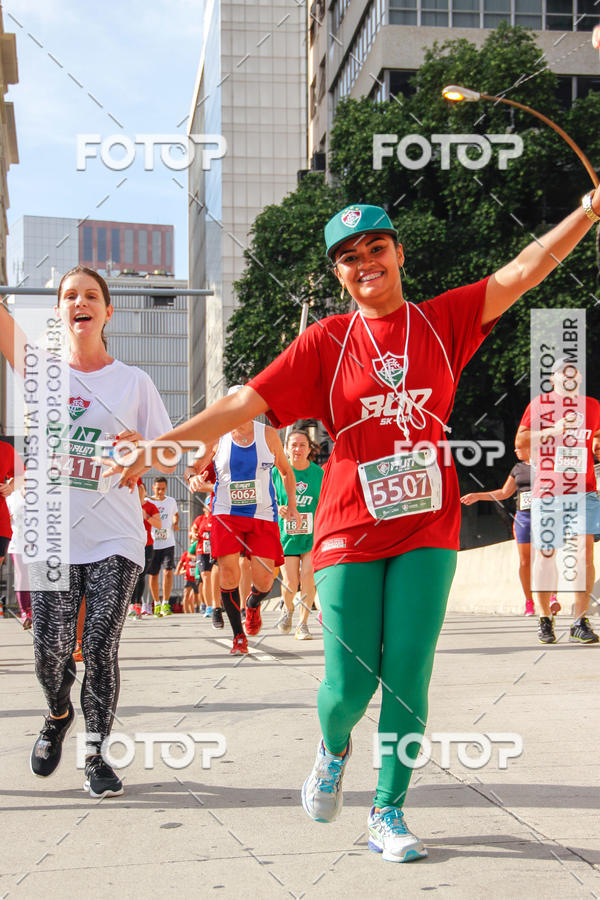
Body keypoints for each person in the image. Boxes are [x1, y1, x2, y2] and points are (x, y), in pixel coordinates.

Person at [107, 190, 600, 861]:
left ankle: (388, 813)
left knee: (409, 674)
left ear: (398, 253)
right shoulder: (325, 342)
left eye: (375, 249)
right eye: (348, 257)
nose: (364, 262)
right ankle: (333, 750)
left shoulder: (442, 321)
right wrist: (162, 448)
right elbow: (243, 399)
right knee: (349, 685)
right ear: (339, 273)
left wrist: (588, 211)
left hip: (427, 522)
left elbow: (523, 269)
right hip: (347, 526)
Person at [0, 264, 172, 799]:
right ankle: (57, 712)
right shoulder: (40, 370)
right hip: (53, 536)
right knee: (48, 654)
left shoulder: (134, 381)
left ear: (107, 311)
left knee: (99, 643)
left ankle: (95, 753)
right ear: (59, 312)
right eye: (69, 295)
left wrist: (141, 452)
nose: (80, 302)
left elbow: (170, 452)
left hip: (116, 538)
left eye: (91, 295)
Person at [187, 387, 300, 655]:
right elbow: (193, 466)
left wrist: (292, 506)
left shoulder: (268, 435)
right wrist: (192, 477)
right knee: (228, 573)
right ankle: (239, 636)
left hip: (262, 514)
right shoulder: (217, 437)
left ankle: (252, 603)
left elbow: (286, 472)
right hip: (226, 514)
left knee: (264, 581)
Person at [516, 358, 600, 645]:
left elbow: (596, 439)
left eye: (574, 373)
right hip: (549, 492)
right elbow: (521, 443)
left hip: (585, 489)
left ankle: (579, 621)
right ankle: (544, 619)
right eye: (563, 373)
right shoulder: (539, 405)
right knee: (546, 555)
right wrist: (553, 430)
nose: (569, 378)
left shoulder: (592, 406)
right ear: (552, 380)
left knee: (583, 555)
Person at [460, 446, 560, 617]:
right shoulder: (518, 468)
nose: (516, 450)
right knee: (525, 562)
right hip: (524, 518)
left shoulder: (550, 465)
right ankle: (529, 602)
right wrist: (478, 496)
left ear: (531, 445)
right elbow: (504, 493)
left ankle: (552, 596)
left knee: (547, 559)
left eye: (520, 447)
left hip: (546, 518)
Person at [272, 429, 324, 639]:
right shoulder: (277, 472)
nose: (298, 449)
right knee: (291, 581)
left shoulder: (318, 474)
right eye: (293, 445)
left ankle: (303, 624)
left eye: (302, 445)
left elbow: (326, 503)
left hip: (312, 534)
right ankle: (288, 609)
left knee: (308, 576)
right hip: (287, 535)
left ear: (309, 449)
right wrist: (279, 508)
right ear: (286, 448)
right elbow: (267, 500)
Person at [128, 480, 161, 618]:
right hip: (131, 544)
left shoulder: (151, 507)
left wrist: (145, 516)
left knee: (141, 575)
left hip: (147, 545)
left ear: (144, 491)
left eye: (141, 490)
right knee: (131, 575)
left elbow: (158, 524)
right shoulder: (129, 505)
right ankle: (130, 605)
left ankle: (138, 606)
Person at [148, 476, 179, 617]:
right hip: (153, 543)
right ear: (153, 488)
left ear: (166, 488)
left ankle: (166, 602)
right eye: (158, 489)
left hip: (168, 542)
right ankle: (156, 603)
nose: (160, 491)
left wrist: (175, 522)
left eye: (163, 489)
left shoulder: (171, 501)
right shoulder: (147, 501)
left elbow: (175, 514)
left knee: (167, 571)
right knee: (153, 574)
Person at [175, 526, 199, 614]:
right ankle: (186, 612)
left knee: (195, 596)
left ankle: (196, 610)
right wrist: (182, 571)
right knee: (186, 594)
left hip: (196, 577)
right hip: (188, 577)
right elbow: (179, 567)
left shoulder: (199, 553)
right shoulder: (185, 554)